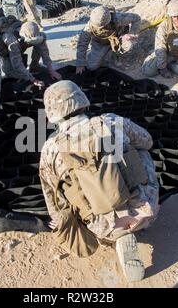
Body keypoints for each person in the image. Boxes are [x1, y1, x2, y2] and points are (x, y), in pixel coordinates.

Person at [39, 80, 160, 282]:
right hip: (148, 209)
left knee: (63, 189)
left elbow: (52, 200)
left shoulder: (50, 149)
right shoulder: (111, 121)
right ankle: (143, 211)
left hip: (103, 227)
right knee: (142, 152)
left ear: (53, 113)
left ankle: (118, 235)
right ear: (81, 101)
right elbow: (147, 141)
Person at [0, 19, 61, 87]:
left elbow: (44, 52)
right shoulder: (12, 41)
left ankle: (34, 66)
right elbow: (17, 65)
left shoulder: (39, 35)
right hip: (1, 48)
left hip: (20, 43)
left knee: (39, 44)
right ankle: (9, 71)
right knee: (14, 75)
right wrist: (33, 80)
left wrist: (51, 70)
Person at [75, 6, 141, 74]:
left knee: (128, 45)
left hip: (117, 39)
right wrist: (80, 64)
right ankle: (95, 54)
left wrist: (132, 33)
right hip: (100, 43)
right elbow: (82, 44)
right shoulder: (89, 27)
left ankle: (117, 55)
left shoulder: (118, 18)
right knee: (92, 67)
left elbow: (137, 18)